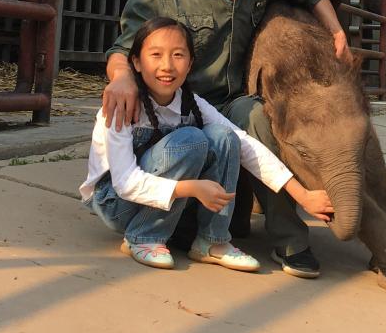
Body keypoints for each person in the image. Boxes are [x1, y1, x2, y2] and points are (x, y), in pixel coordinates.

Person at [102, 0, 351, 279]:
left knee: (257, 117)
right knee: (195, 140)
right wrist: (122, 79)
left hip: (228, 104)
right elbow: (124, 47)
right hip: (177, 107)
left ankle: (289, 240)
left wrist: (337, 32)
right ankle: (162, 226)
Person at [81, 16, 331, 271]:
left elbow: (245, 145)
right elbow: (124, 183)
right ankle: (144, 236)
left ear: (190, 64)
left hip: (165, 197)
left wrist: (303, 195)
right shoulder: (121, 105)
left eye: (178, 55)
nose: (167, 66)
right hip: (117, 204)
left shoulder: (192, 103)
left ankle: (212, 241)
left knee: (225, 137)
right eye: (155, 55)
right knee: (191, 139)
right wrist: (191, 188)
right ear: (136, 62)